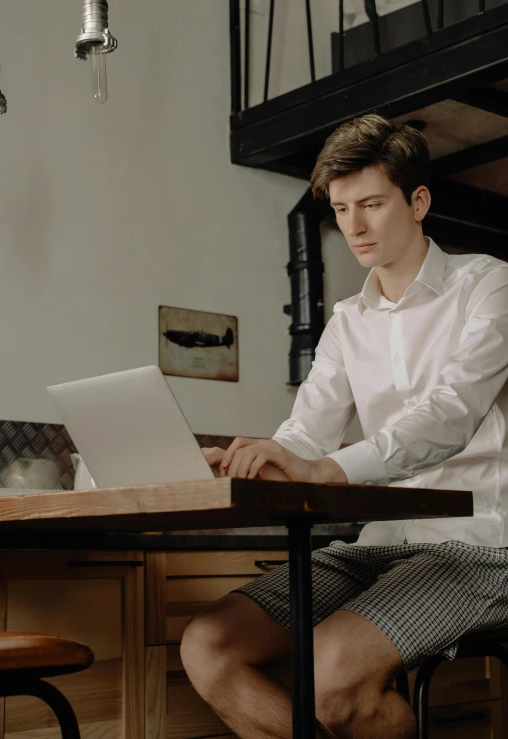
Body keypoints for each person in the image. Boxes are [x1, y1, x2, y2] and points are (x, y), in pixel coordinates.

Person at [180, 113, 508, 739]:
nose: (353, 226)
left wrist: (327, 469)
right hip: (378, 542)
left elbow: (452, 412)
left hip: (481, 545)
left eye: (372, 204)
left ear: (418, 202)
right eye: (340, 207)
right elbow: (308, 431)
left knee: (329, 669)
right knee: (208, 644)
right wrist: (262, 454)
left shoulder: (488, 285)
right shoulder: (348, 319)